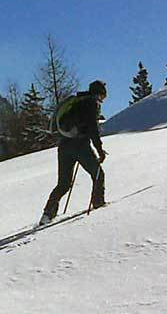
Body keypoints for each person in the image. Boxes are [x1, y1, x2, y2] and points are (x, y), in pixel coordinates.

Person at [40, 80, 108, 225]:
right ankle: (98, 205)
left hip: (64, 145)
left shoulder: (76, 101)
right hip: (80, 145)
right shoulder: (91, 104)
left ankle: (47, 214)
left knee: (64, 183)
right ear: (100, 94)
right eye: (103, 96)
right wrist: (99, 149)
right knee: (98, 174)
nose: (103, 100)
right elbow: (92, 129)